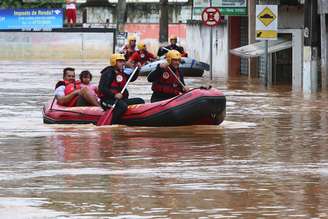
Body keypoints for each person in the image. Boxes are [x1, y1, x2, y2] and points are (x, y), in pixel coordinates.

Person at [98, 53, 145, 124]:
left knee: (140, 101)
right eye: (120, 62)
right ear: (114, 62)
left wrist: (137, 69)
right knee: (122, 106)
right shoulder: (108, 72)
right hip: (107, 101)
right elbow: (102, 88)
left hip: (119, 100)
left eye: (123, 61)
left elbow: (131, 78)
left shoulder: (121, 72)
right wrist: (114, 95)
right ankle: (113, 123)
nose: (123, 63)